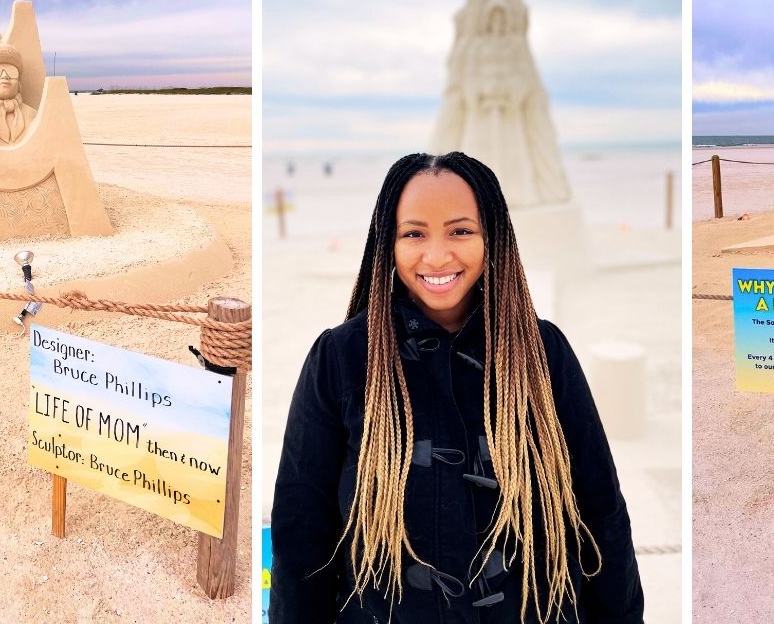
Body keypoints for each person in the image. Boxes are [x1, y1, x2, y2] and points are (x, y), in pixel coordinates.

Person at [271, 152, 644, 623]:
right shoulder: (341, 358)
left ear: (492, 238)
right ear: (388, 243)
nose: (436, 255)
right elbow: (301, 533)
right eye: (414, 233)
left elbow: (600, 513)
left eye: (460, 231)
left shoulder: (542, 352)